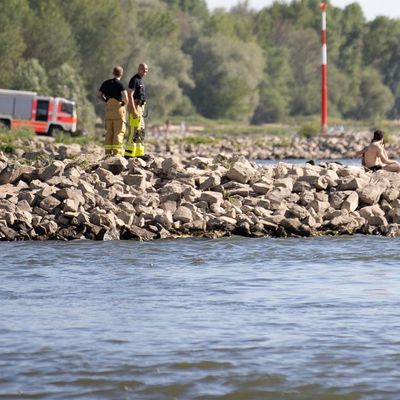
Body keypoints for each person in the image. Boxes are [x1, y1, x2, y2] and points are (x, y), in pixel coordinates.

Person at [98, 66, 129, 156]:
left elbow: (99, 95)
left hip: (109, 110)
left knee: (109, 133)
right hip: (118, 110)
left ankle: (107, 154)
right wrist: (123, 103)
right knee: (118, 133)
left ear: (113, 73)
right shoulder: (120, 85)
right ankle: (117, 154)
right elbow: (126, 98)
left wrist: (106, 101)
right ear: (121, 74)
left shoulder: (106, 83)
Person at [124, 63, 148, 158]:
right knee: (133, 131)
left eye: (146, 69)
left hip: (140, 109)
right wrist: (133, 110)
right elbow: (130, 94)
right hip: (135, 107)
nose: (144, 71)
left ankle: (139, 154)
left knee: (140, 131)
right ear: (138, 69)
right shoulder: (134, 80)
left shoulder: (141, 80)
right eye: (143, 69)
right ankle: (128, 154)